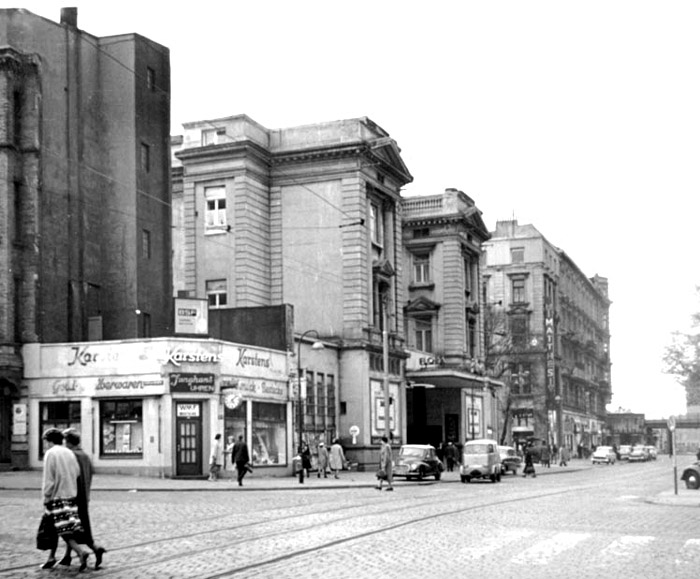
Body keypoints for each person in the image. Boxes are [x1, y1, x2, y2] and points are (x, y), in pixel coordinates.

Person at [40, 428, 90, 571]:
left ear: (49, 441)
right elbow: (77, 472)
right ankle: (52, 557)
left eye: (46, 441)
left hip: (56, 496)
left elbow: (49, 478)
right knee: (64, 527)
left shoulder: (51, 453)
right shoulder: (69, 453)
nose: (46, 445)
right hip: (70, 495)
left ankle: (80, 552)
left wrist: (46, 496)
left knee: (60, 528)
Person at [58, 429, 106, 570]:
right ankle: (70, 556)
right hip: (84, 496)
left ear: (69, 442)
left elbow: (68, 476)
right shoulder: (85, 455)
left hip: (73, 496)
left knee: (66, 527)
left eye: (65, 441)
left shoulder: (71, 455)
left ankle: (90, 550)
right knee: (80, 527)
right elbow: (91, 473)